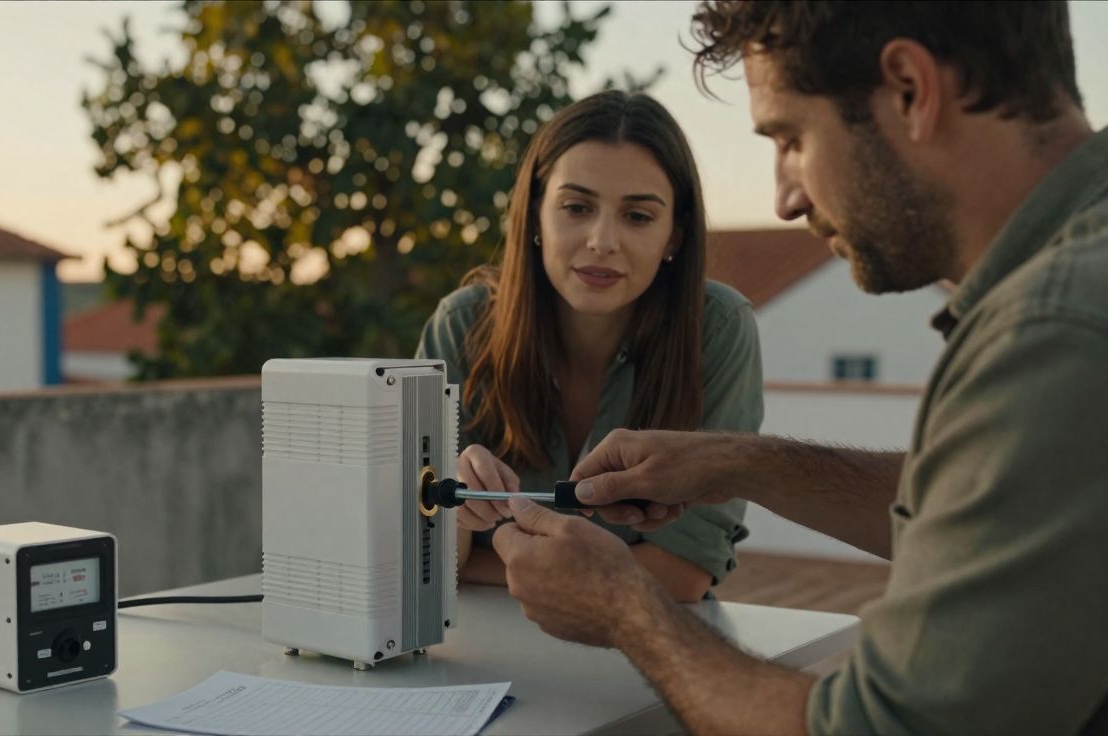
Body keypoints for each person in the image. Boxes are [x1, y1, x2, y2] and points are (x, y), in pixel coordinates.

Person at [490, 1, 1108, 733]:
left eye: (790, 139)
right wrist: (742, 464)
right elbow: (987, 503)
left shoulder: (1056, 330)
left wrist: (624, 609)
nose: (786, 199)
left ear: (911, 90)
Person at [415, 90, 763, 603]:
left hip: (640, 642)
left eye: (638, 216)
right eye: (576, 207)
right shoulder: (461, 324)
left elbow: (684, 572)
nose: (602, 240)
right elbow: (425, 557)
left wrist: (486, 564)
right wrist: (457, 514)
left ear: (674, 236)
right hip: (476, 642)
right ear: (535, 215)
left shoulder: (718, 328)